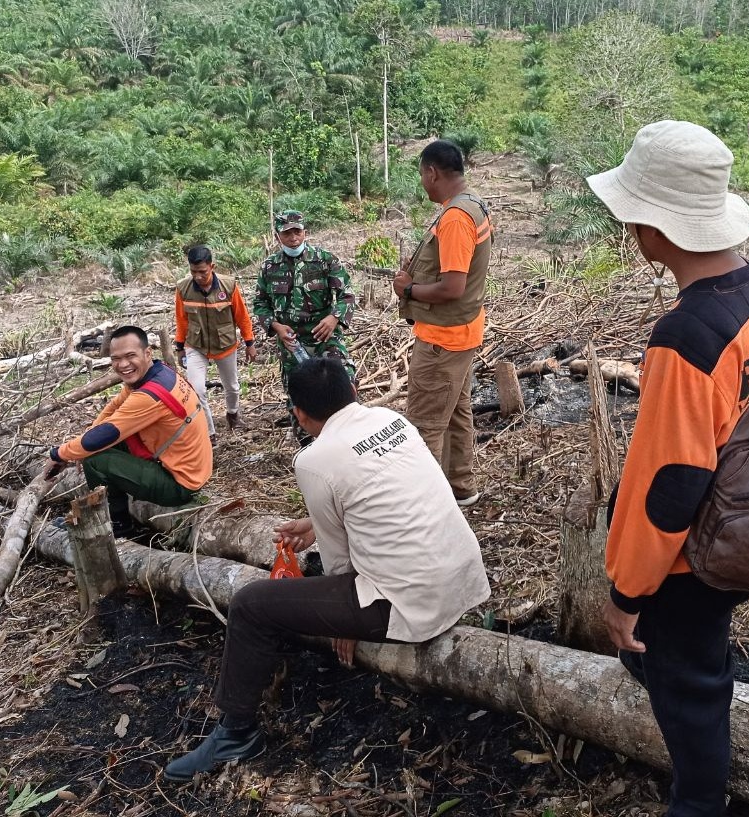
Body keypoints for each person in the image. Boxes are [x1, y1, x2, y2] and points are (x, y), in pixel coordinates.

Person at [163, 358, 490, 781]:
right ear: (352, 391)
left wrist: (343, 621)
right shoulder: (390, 420)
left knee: (249, 604)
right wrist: (316, 525)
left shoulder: (314, 460)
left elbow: (340, 565)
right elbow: (382, 499)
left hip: (411, 603)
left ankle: (236, 732)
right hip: (461, 576)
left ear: (299, 413)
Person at [587, 120, 749, 816]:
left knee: (685, 687)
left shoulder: (683, 339)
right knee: (699, 665)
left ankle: (700, 800)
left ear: (653, 228)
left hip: (684, 561)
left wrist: (625, 593)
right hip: (748, 522)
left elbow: (670, 485)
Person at [393, 140, 492, 508]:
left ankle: (428, 508)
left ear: (432, 172)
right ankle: (460, 488)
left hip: (442, 341)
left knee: (425, 425)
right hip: (462, 334)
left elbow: (453, 286)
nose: (422, 182)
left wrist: (411, 289)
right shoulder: (474, 205)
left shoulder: (454, 219)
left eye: (422, 174)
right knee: (456, 412)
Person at [45, 325, 213, 535]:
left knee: (95, 460)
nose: (123, 364)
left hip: (181, 484)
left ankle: (117, 525)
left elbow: (101, 438)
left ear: (147, 353)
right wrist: (85, 439)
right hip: (191, 466)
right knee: (95, 446)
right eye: (116, 358)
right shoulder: (160, 373)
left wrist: (59, 453)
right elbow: (113, 408)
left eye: (130, 356)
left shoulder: (148, 397)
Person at [252, 209, 356, 443]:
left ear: (305, 232)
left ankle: (350, 439)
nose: (293, 237)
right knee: (298, 394)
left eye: (297, 231)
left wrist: (334, 318)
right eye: (287, 233)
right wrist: (275, 326)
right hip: (291, 342)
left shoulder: (325, 260)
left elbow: (347, 295)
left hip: (325, 336)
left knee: (343, 382)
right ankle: (309, 448)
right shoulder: (269, 267)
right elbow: (260, 303)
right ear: (278, 236)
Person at [173, 245, 257, 436]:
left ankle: (233, 415)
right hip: (196, 345)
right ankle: (209, 433)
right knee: (197, 390)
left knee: (232, 387)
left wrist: (249, 343)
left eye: (202, 271)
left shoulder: (228, 286)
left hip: (225, 345)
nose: (198, 276)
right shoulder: (183, 289)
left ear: (212, 266)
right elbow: (181, 319)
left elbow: (242, 316)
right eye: (193, 272)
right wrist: (179, 347)